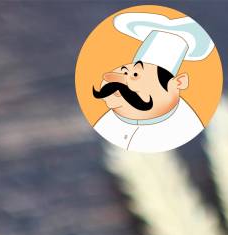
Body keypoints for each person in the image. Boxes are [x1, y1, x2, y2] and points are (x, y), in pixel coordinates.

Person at [92, 11, 215, 153]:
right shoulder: (108, 120)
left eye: (136, 76)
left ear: (178, 83)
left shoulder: (187, 124)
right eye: (124, 72)